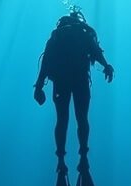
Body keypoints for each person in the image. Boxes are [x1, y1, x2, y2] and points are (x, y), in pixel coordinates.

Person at [33, 9, 114, 172]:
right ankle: (83, 158)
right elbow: (96, 52)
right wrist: (106, 66)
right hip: (80, 81)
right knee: (82, 119)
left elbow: (46, 62)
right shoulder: (84, 34)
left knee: (62, 120)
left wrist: (39, 86)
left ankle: (61, 161)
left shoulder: (56, 37)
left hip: (61, 82)